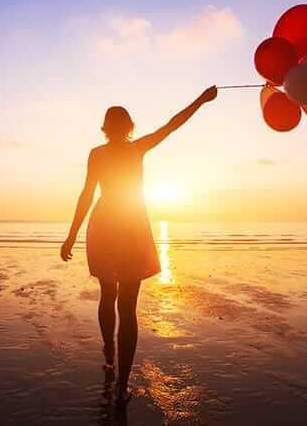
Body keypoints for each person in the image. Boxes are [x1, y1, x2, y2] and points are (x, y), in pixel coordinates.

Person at [60, 85, 218, 402]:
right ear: (129, 127)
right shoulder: (136, 148)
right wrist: (200, 100)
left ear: (106, 128)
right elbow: (172, 125)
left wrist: (72, 233)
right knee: (127, 307)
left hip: (105, 223)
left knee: (108, 295)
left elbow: (86, 196)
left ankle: (108, 351)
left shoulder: (97, 153)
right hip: (129, 224)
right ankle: (121, 384)